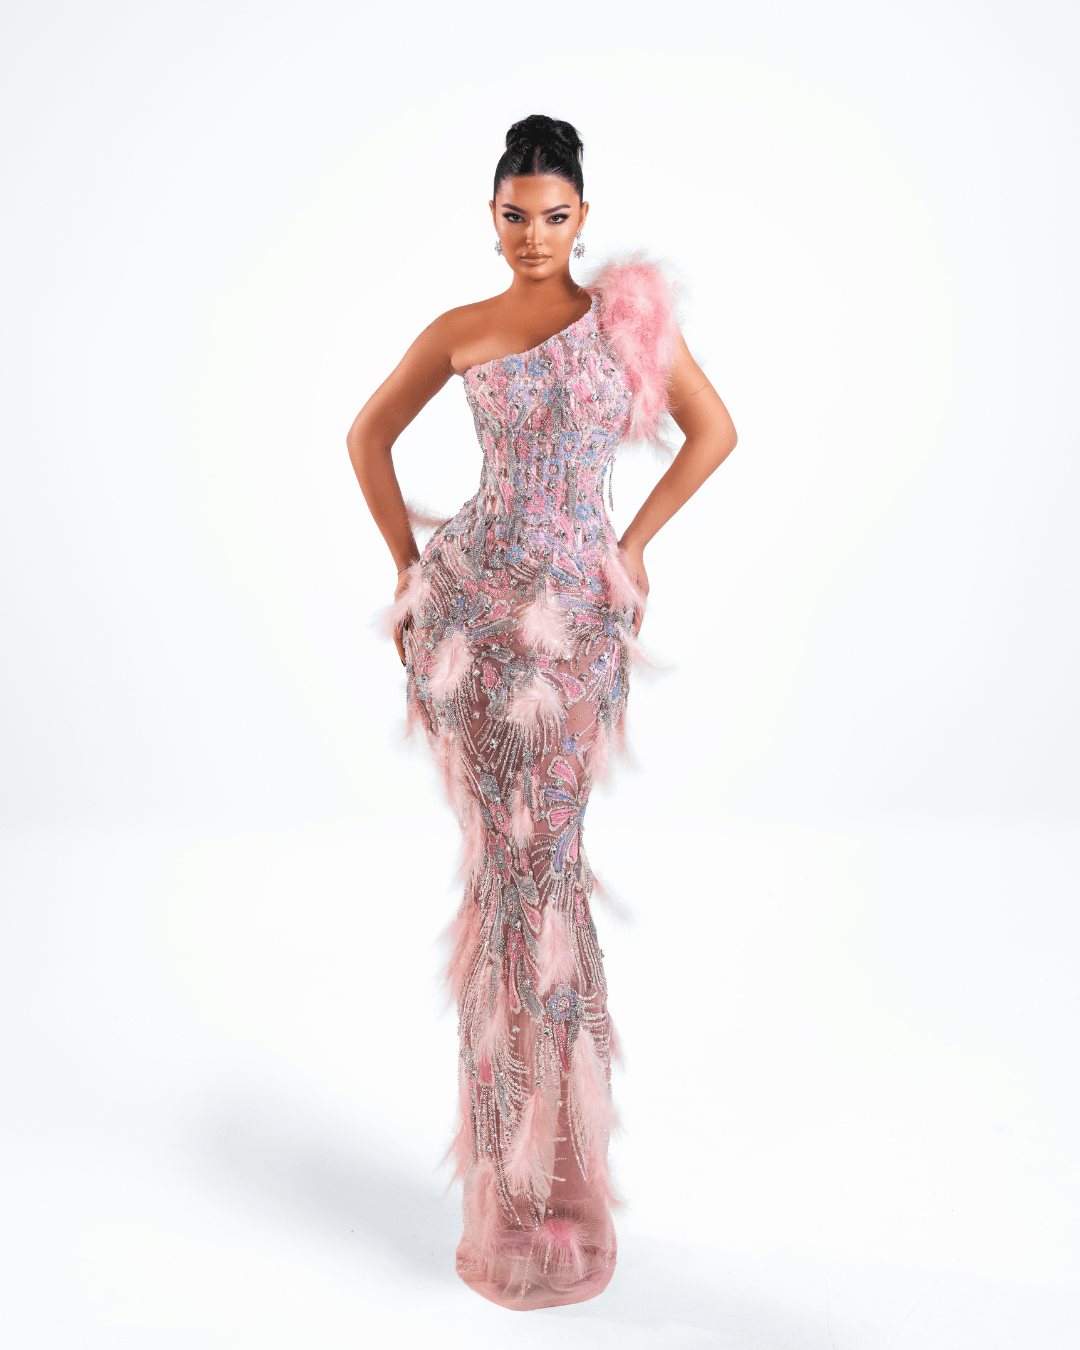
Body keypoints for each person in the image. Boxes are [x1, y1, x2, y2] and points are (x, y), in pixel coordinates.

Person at [347, 114, 737, 1310]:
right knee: (508, 888)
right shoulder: (462, 331)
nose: (533, 236)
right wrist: (409, 571)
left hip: (573, 635)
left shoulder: (622, 322)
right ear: (493, 217)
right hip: (475, 630)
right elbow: (366, 437)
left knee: (546, 887)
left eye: (554, 216)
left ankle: (555, 1194)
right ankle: (512, 1199)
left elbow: (715, 431)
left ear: (582, 218)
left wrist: (632, 545)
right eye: (515, 216)